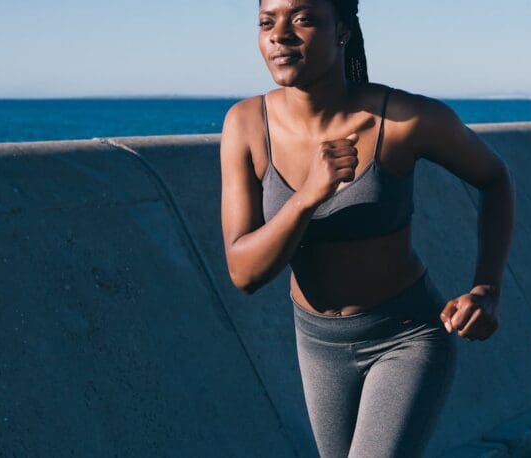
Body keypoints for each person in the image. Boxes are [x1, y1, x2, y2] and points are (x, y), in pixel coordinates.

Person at [219, 0, 515, 456]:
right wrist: (307, 196)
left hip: (405, 336)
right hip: (317, 345)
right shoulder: (245, 126)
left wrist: (487, 289)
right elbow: (244, 272)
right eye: (266, 21)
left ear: (342, 31)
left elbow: (494, 179)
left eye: (302, 18)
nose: (279, 34)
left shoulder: (404, 120)